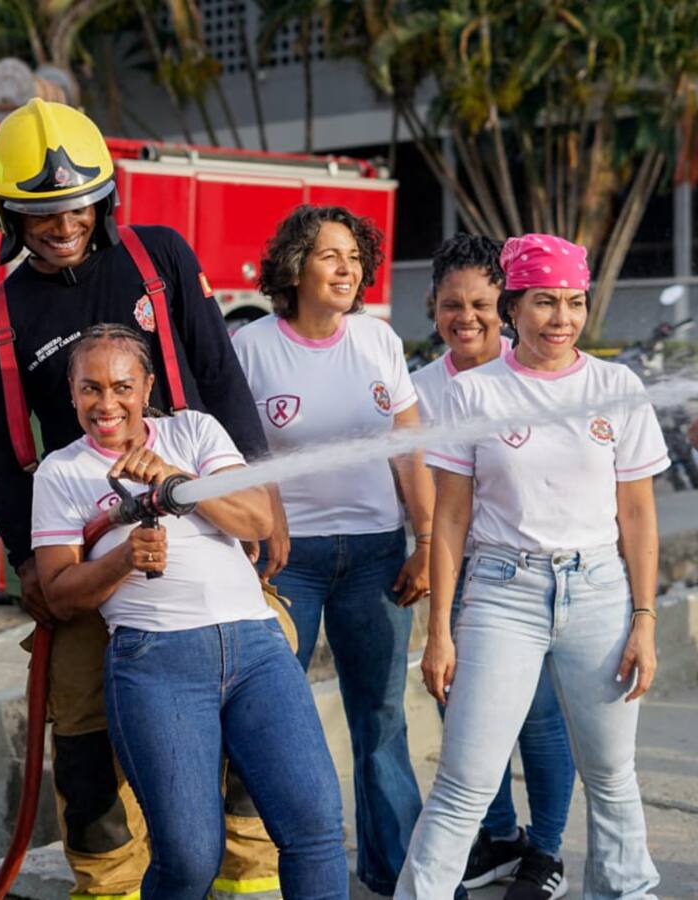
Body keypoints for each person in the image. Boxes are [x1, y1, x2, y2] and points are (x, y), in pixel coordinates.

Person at [0, 98, 282, 899]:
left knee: (250, 697)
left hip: (202, 529)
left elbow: (221, 377)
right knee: (80, 721)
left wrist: (260, 496)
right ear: (9, 214)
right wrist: (26, 562)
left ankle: (249, 875)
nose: (62, 225)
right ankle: (108, 880)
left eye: (75, 206)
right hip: (90, 550)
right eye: (39, 213)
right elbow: (8, 458)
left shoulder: (160, 259)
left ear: (104, 198)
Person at [32, 325, 347, 899]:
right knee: (188, 857)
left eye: (122, 386)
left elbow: (255, 521)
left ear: (147, 385)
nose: (107, 404)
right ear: (71, 394)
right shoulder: (61, 471)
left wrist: (178, 481)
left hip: (255, 649)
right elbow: (59, 592)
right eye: (90, 389)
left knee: (315, 825)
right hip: (156, 662)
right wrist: (123, 559)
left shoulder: (194, 430)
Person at [400, 233, 666, 898]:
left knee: (612, 775)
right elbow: (451, 518)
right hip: (501, 594)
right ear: (512, 306)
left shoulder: (616, 386)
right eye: (545, 302)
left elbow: (636, 514)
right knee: (465, 780)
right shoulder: (475, 394)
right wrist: (440, 631)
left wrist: (644, 619)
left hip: (602, 590)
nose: (563, 318)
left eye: (574, 302)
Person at [232, 204, 434, 897]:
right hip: (289, 563)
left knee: (380, 718)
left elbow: (408, 452)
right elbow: (235, 458)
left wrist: (427, 541)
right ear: (295, 267)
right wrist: (263, 529)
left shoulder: (378, 342)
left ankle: (394, 873)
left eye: (354, 256)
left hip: (377, 556)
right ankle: (269, 872)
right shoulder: (253, 347)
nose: (347, 268)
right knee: (268, 721)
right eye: (329, 256)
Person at [413, 234, 575, 899]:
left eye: (481, 303)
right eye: (453, 304)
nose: (467, 318)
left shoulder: (536, 373)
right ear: (432, 307)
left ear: (504, 306)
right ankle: (502, 837)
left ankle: (546, 850)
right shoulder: (421, 390)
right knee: (462, 713)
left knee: (537, 718)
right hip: (456, 576)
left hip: (524, 577)